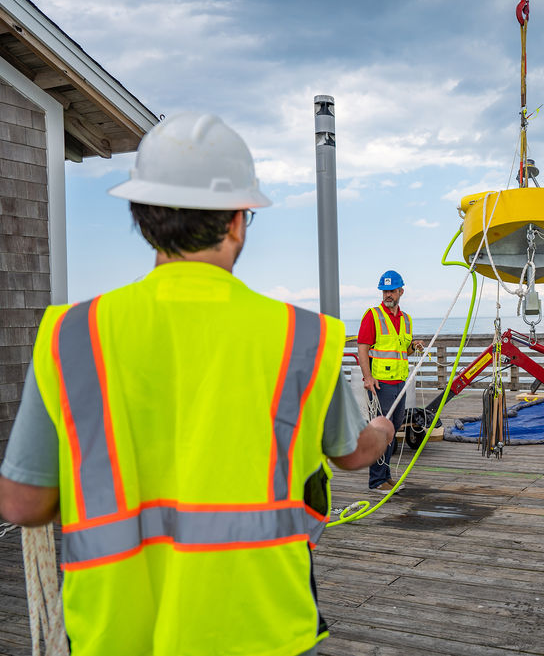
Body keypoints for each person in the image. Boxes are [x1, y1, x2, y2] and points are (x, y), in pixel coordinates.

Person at [0, 113, 395, 656]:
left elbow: (22, 504)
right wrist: (382, 430)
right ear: (238, 220)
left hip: (116, 634)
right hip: (263, 629)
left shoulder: (72, 336)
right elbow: (352, 454)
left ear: (142, 218)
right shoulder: (300, 338)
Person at [357, 271, 424, 493]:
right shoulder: (372, 315)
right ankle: (376, 481)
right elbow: (363, 348)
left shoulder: (406, 319)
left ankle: (386, 477)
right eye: (385, 291)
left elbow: (402, 350)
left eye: (392, 291)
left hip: (400, 383)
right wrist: (367, 377)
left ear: (400, 292)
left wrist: (414, 347)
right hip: (380, 385)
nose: (388, 295)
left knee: (393, 430)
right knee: (381, 432)